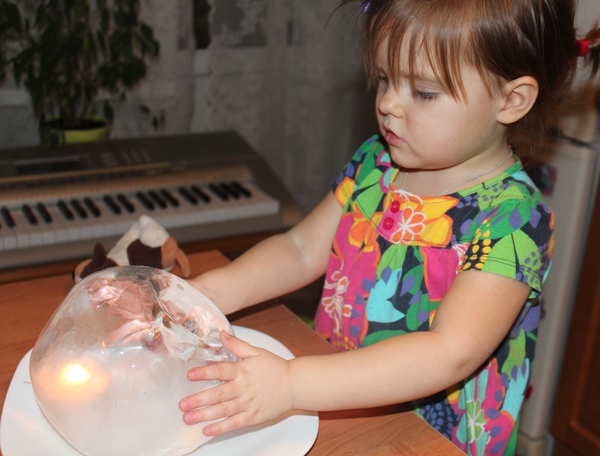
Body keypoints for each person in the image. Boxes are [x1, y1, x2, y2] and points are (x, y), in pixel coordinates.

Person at [180, 1, 600, 453]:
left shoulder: (514, 220)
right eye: (384, 78)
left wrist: (291, 383)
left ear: (511, 100)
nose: (386, 104)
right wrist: (206, 293)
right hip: (337, 395)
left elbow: (448, 352)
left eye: (424, 92)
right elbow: (300, 249)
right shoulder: (376, 162)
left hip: (426, 439)